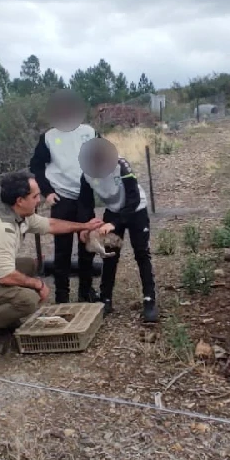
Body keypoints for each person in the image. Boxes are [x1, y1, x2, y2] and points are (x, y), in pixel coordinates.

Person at [0, 171, 109, 356]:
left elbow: (52, 225)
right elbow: (6, 276)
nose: (39, 200)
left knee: (29, 265)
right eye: (35, 196)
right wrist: (38, 285)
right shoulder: (2, 227)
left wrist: (85, 226)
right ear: (19, 201)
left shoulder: (17, 213)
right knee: (28, 298)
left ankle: (6, 318)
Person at [28, 89, 99, 304]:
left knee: (88, 246)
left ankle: (86, 292)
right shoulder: (49, 138)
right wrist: (48, 192)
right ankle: (62, 296)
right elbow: (37, 166)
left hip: (85, 197)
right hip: (61, 200)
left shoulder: (89, 132)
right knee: (62, 251)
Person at [77, 138, 159, 323]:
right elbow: (84, 202)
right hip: (112, 210)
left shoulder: (120, 165)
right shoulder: (86, 173)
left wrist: (113, 224)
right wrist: (85, 226)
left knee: (141, 253)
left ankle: (149, 300)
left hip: (135, 210)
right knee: (109, 255)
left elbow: (134, 198)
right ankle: (106, 298)